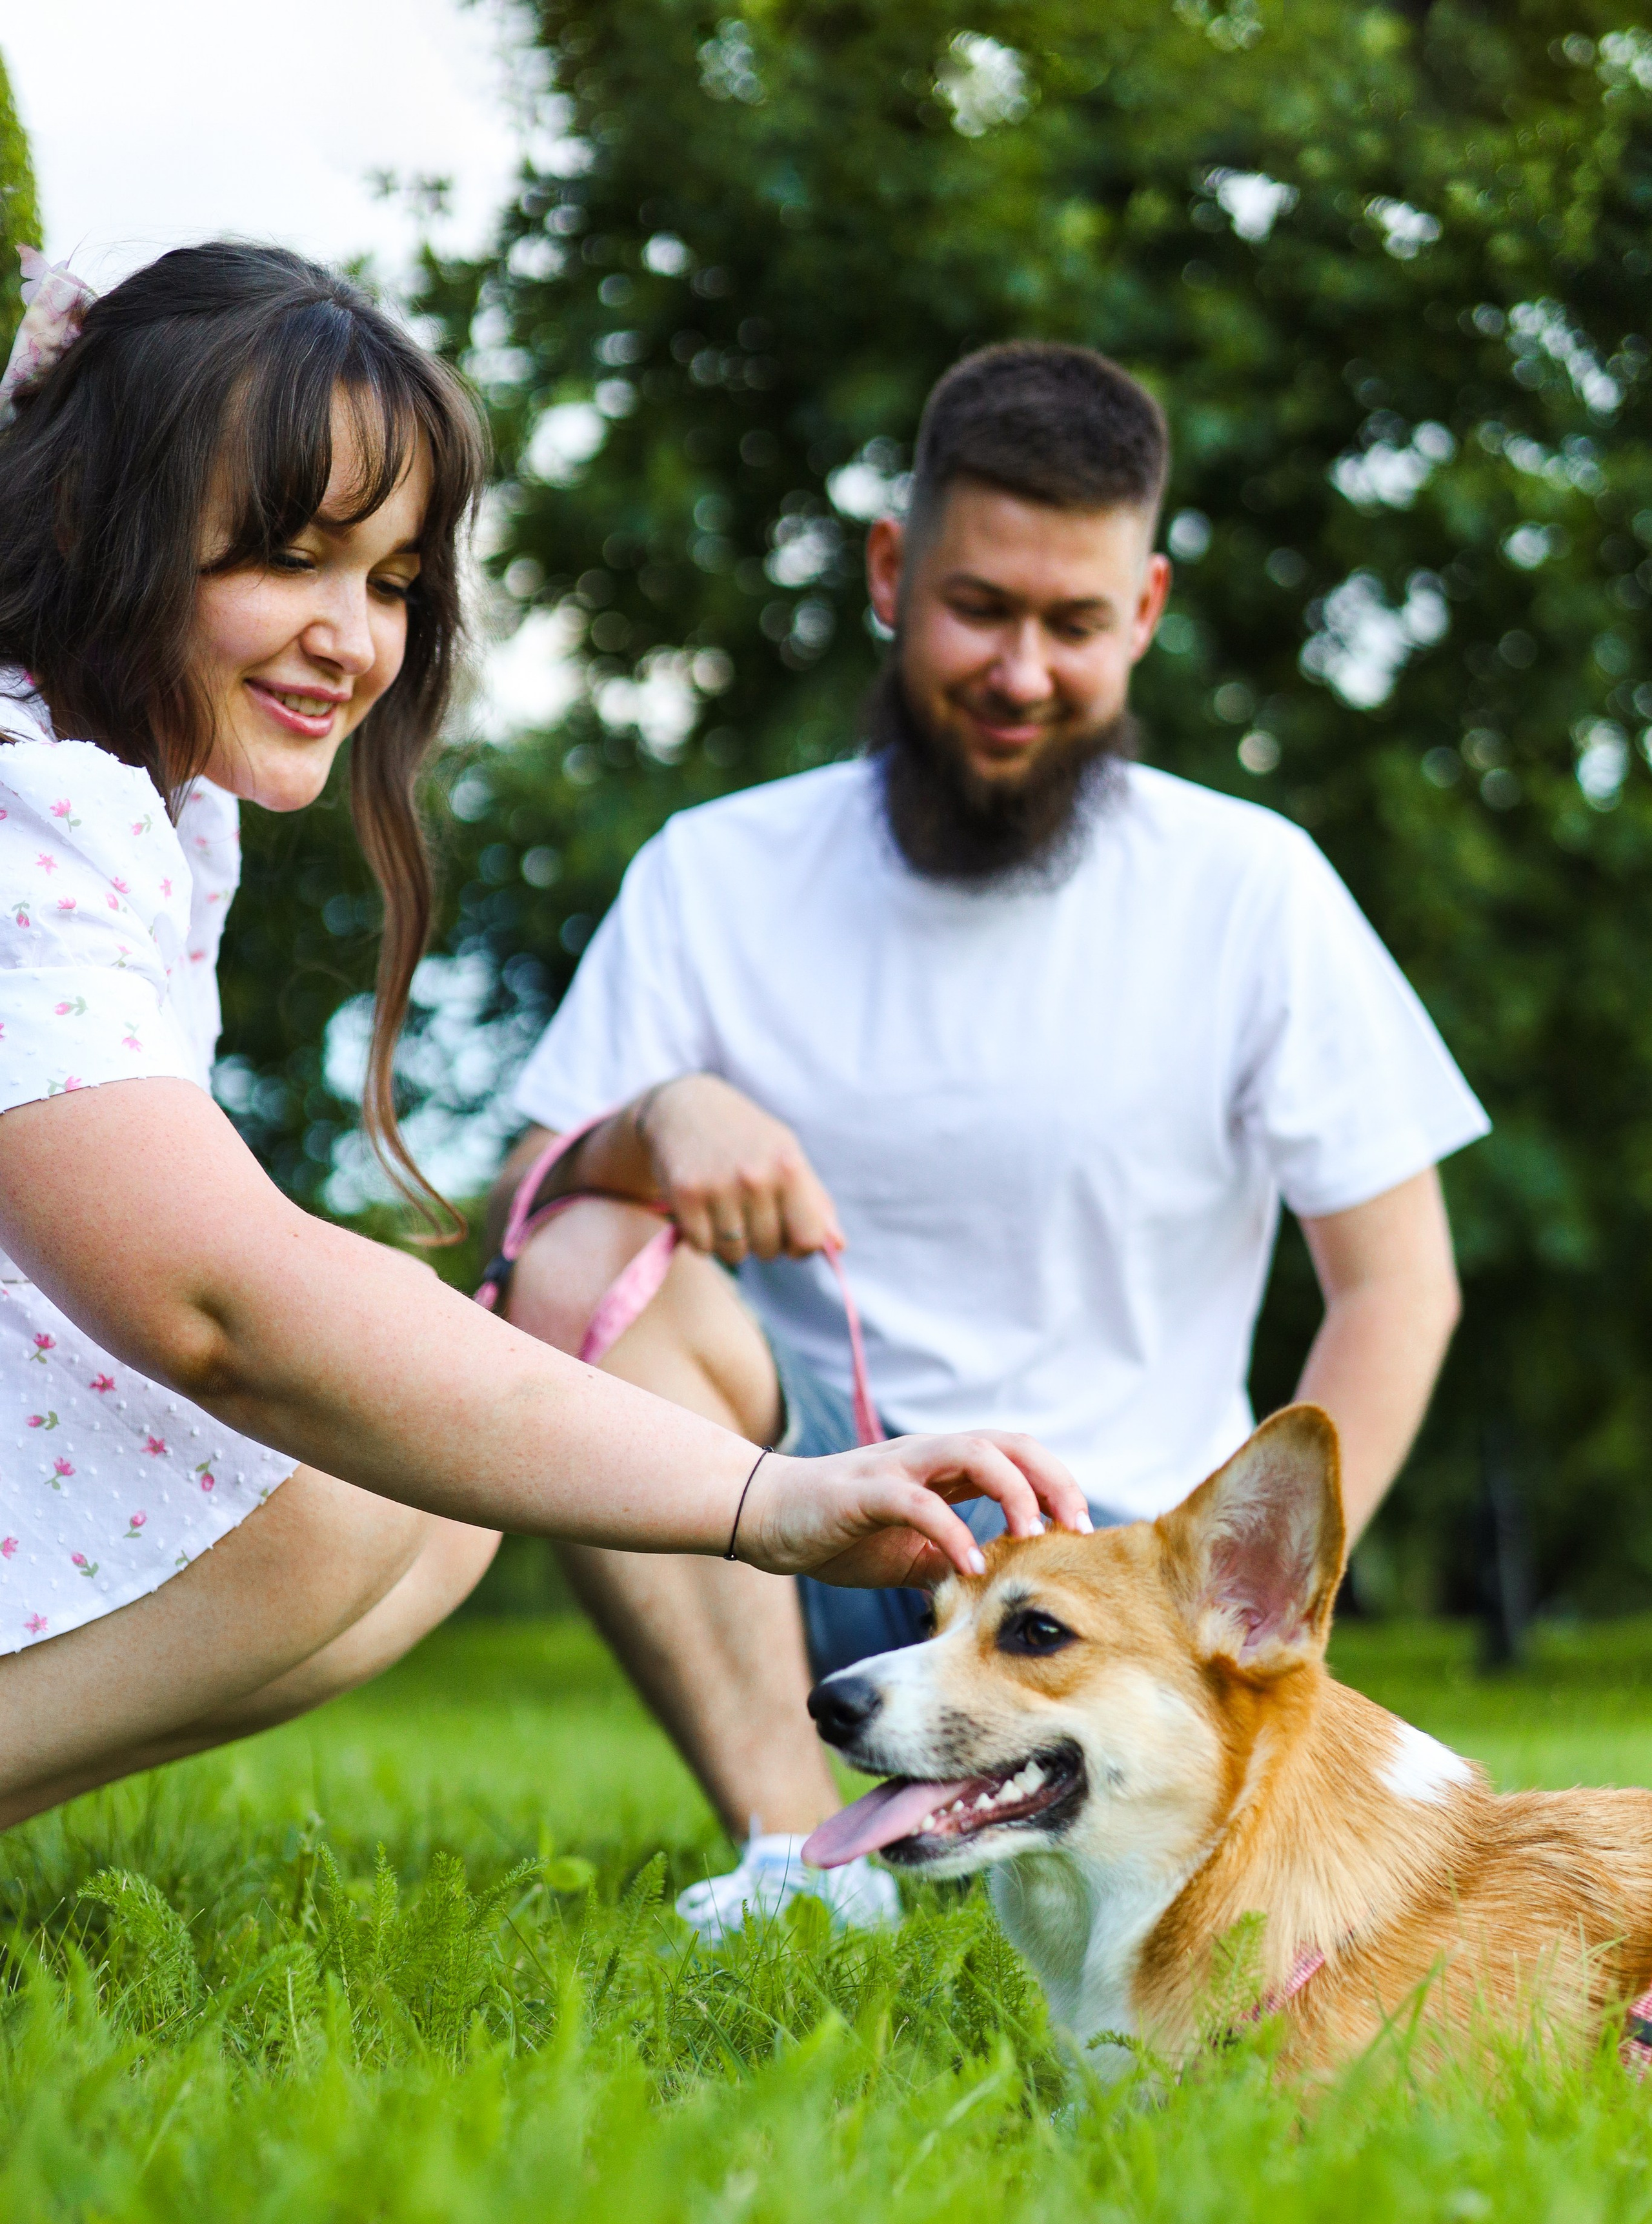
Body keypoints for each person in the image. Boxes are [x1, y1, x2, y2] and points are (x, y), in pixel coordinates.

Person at [0, 248, 1089, 1835]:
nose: (349, 640)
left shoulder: (156, 808)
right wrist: (763, 1500)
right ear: (97, 519)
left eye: (386, 583)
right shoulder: (33, 808)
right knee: (337, 1479)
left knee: (419, 1499)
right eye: (288, 557)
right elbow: (212, 1300)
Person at [489, 341, 1489, 1937]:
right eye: (980, 609)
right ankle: (791, 1861)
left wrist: (1254, 1603)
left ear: (1144, 613)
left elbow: (1396, 1288)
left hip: (1125, 1577)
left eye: (1073, 625)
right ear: (892, 574)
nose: (1021, 669)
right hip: (807, 1538)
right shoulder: (711, 872)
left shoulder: (1255, 889)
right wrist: (653, 1125)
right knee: (585, 1249)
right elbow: (512, 1239)